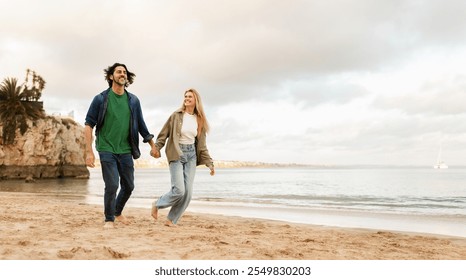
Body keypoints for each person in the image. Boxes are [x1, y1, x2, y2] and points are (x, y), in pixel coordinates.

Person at [84, 63, 158, 229]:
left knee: (129, 186)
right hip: (106, 148)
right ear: (111, 76)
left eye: (124, 72)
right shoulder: (101, 99)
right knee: (112, 185)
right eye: (118, 72)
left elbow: (141, 125)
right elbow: (89, 125)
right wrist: (89, 152)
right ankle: (109, 219)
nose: (122, 74)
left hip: (126, 150)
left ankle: (117, 212)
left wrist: (153, 146)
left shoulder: (133, 101)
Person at [151, 88, 215, 226]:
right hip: (177, 153)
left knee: (188, 193)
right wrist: (156, 148)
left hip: (191, 155)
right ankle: (157, 204)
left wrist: (210, 163)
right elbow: (164, 134)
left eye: (189, 96)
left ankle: (171, 220)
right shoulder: (176, 115)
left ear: (195, 100)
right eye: (185, 96)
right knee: (179, 190)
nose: (186, 98)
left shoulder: (200, 120)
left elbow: (202, 145)